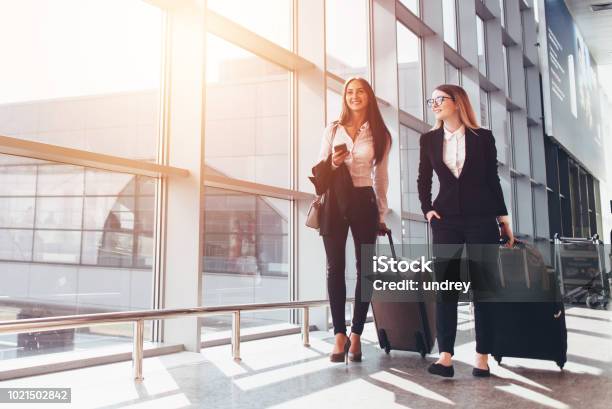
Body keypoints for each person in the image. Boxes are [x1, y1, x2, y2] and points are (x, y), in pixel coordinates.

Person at [417, 84, 515, 378]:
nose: (434, 104)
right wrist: (427, 209)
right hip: (445, 219)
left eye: (440, 99)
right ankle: (445, 356)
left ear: (457, 102)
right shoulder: (429, 139)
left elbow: (492, 180)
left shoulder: (482, 138)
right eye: (431, 100)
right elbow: (423, 178)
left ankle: (482, 357)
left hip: (481, 218)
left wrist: (503, 220)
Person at [316, 76, 391, 363]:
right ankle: (339, 334)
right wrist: (335, 162)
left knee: (365, 269)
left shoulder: (380, 134)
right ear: (344, 97)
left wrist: (381, 215)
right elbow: (319, 169)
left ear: (369, 96)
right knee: (335, 267)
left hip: (363, 201)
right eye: (349, 92)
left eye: (360, 91)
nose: (354, 96)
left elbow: (380, 178)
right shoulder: (333, 129)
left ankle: (357, 333)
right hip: (334, 201)